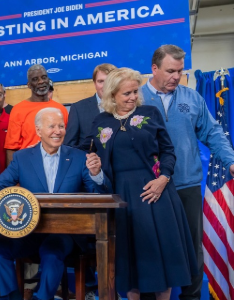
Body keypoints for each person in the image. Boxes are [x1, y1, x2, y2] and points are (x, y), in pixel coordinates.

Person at [0, 108, 111, 300]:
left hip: (67, 232)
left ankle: (42, 298)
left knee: (51, 251)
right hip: (31, 230)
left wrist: (96, 175)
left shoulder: (80, 158)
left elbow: (99, 195)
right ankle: (11, 297)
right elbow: (1, 183)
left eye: (61, 126)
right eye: (52, 126)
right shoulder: (22, 158)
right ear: (38, 131)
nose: (58, 130)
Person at [84, 67, 197, 300]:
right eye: (127, 94)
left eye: (135, 92)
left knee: (162, 259)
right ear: (112, 95)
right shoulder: (99, 122)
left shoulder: (150, 113)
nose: (133, 97)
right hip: (123, 200)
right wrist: (95, 171)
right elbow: (97, 164)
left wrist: (163, 179)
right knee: (131, 263)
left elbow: (168, 151)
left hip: (157, 195)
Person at [142, 45, 234, 300]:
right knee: (153, 247)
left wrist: (231, 161)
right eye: (170, 71)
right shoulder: (135, 98)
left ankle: (191, 298)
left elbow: (213, 133)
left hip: (186, 184)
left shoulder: (192, 97)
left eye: (180, 71)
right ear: (154, 69)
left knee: (192, 249)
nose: (176, 76)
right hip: (148, 189)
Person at [5, 64, 68, 165]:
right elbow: (11, 148)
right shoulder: (18, 110)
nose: (41, 81)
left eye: (44, 77)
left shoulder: (61, 110)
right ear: (29, 85)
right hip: (28, 166)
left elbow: (66, 143)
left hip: (57, 166)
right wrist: (13, 178)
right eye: (35, 79)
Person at [64, 63, 117, 147]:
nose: (105, 86)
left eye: (108, 81)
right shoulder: (78, 109)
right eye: (100, 81)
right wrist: (87, 158)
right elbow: (68, 147)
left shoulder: (126, 106)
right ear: (94, 84)